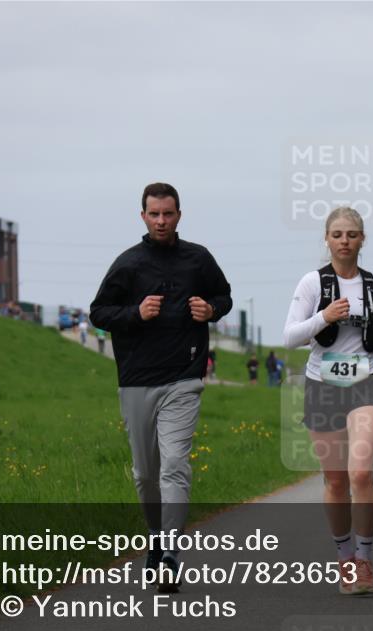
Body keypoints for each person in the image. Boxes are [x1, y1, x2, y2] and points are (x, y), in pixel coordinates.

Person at [89, 182, 232, 591]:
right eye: (154, 214)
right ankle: (155, 538)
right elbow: (99, 312)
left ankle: (170, 553)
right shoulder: (128, 264)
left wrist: (211, 309)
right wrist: (136, 312)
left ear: (179, 215)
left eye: (168, 214)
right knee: (145, 474)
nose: (161, 221)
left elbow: (224, 296)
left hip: (184, 377)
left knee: (174, 466)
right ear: (143, 216)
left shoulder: (197, 259)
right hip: (136, 380)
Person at [283, 206, 373, 595]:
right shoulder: (312, 283)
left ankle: (365, 560)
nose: (344, 241)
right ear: (326, 238)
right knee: (336, 481)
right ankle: (345, 559)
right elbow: (290, 336)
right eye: (337, 234)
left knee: (360, 474)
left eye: (351, 234)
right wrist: (325, 316)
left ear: (362, 239)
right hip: (323, 383)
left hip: (367, 382)